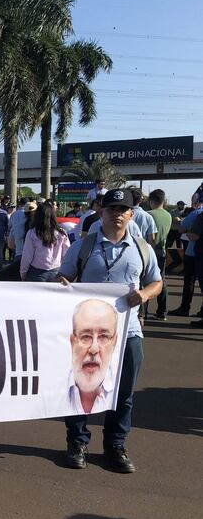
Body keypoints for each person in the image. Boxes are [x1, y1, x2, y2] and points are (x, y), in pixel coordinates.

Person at [57, 188, 162, 473]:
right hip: (88, 335)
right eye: (111, 209)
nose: (117, 214)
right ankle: (77, 442)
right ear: (101, 212)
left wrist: (145, 294)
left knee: (123, 393)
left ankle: (115, 445)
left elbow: (156, 282)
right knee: (81, 387)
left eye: (122, 209)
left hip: (128, 334)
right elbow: (64, 275)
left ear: (131, 213)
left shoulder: (142, 248)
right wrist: (63, 284)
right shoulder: (84, 245)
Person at [67, 299, 119, 414]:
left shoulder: (117, 389)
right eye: (85, 337)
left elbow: (156, 284)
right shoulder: (51, 395)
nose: (94, 349)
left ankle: (116, 432)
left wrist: (144, 294)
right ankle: (77, 432)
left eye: (103, 337)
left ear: (114, 341)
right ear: (72, 341)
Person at [168, 199, 203, 318]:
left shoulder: (197, 213)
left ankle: (185, 307)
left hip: (193, 252)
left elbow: (181, 229)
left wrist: (189, 230)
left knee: (189, 281)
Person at [20, 202, 70, 282]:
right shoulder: (62, 233)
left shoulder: (32, 233)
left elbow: (27, 256)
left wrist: (23, 273)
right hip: (57, 271)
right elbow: (67, 255)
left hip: (36, 273)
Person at [143, 189, 172, 321]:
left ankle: (144, 312)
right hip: (162, 252)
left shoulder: (148, 215)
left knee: (145, 283)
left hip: (149, 252)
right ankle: (162, 311)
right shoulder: (168, 215)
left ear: (151, 201)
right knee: (161, 281)